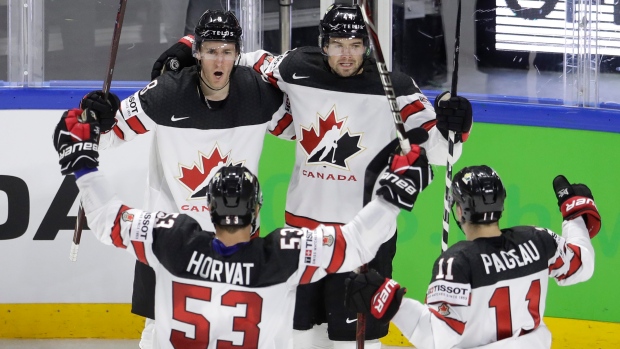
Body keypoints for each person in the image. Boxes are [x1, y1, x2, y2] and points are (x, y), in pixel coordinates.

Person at [151, 4, 473, 348]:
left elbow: (443, 152)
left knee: (353, 343)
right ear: (323, 44)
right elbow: (245, 58)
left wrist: (456, 123)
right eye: (337, 44)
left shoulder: (396, 90)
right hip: (302, 237)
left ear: (367, 45)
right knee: (298, 337)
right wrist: (188, 46)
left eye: (355, 44)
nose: (346, 54)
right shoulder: (295, 68)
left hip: (362, 239)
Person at [52, 106, 434, 348]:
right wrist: (391, 197)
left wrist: (82, 167)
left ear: (210, 207)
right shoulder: (285, 255)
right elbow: (357, 245)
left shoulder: (169, 238)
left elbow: (106, 220)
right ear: (256, 211)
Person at [79, 10, 289, 349]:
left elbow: (307, 131)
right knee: (158, 331)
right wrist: (95, 116)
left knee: (233, 330)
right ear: (197, 54)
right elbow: (107, 135)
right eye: (210, 51)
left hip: (235, 234)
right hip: (169, 234)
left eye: (227, 51)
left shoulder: (258, 94)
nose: (219, 60)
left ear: (237, 54)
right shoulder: (167, 92)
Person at [344, 165, 601, 349]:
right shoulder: (539, 239)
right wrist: (574, 217)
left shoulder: (457, 262)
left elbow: (436, 338)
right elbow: (582, 265)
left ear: (459, 210)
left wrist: (389, 299)